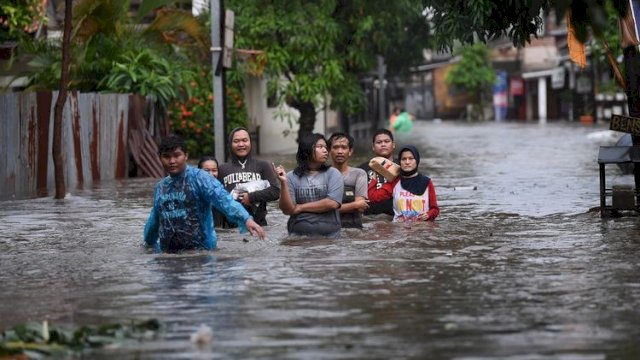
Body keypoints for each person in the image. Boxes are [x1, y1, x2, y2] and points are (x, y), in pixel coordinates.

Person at [144, 135, 265, 252]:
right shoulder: (161, 187)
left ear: (186, 156)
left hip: (202, 253)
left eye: (176, 156)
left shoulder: (200, 178)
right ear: (160, 157)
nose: (171, 161)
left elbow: (224, 200)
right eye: (166, 156)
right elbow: (154, 220)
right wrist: (148, 244)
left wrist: (246, 219)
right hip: (168, 256)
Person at [274, 133, 344, 237]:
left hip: (330, 235)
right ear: (307, 150)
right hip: (298, 235)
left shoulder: (333, 173)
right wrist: (283, 183)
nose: (325, 150)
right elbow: (287, 210)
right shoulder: (291, 177)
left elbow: (332, 203)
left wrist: (300, 207)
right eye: (320, 147)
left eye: (325, 147)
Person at [218, 127, 280, 227]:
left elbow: (275, 192)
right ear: (230, 144)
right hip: (231, 229)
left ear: (250, 143)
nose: (241, 144)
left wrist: (251, 197)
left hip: (259, 227)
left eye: (244, 140)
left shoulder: (263, 165)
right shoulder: (222, 169)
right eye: (236, 141)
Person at [368, 145, 439, 222]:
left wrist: (428, 215)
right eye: (404, 159)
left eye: (411, 159)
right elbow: (372, 197)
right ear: (400, 162)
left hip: (422, 229)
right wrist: (376, 173)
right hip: (399, 230)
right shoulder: (394, 182)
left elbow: (435, 209)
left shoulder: (427, 182)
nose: (407, 162)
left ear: (417, 160)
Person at [328, 132, 368, 228]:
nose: (340, 151)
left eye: (344, 147)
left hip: (354, 229)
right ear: (329, 151)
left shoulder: (359, 174)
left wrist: (328, 209)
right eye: (336, 147)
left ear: (350, 151)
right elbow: (357, 204)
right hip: (328, 228)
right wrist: (354, 205)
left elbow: (361, 207)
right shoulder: (322, 175)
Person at [359, 129, 396, 216]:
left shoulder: (402, 167)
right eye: (379, 142)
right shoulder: (362, 170)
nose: (383, 144)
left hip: (394, 216)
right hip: (369, 217)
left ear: (393, 144)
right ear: (373, 146)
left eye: (386, 141)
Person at [197, 156, 224, 227]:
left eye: (214, 170)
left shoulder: (221, 193)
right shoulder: (192, 191)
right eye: (206, 170)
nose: (211, 174)